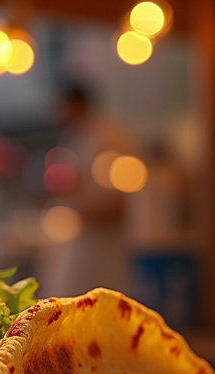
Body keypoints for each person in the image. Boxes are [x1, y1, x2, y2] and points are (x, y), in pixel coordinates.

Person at [36, 83, 136, 297]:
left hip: (102, 248)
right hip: (82, 243)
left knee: (97, 309)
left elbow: (117, 204)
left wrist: (74, 206)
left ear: (76, 105)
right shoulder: (77, 136)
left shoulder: (105, 138)